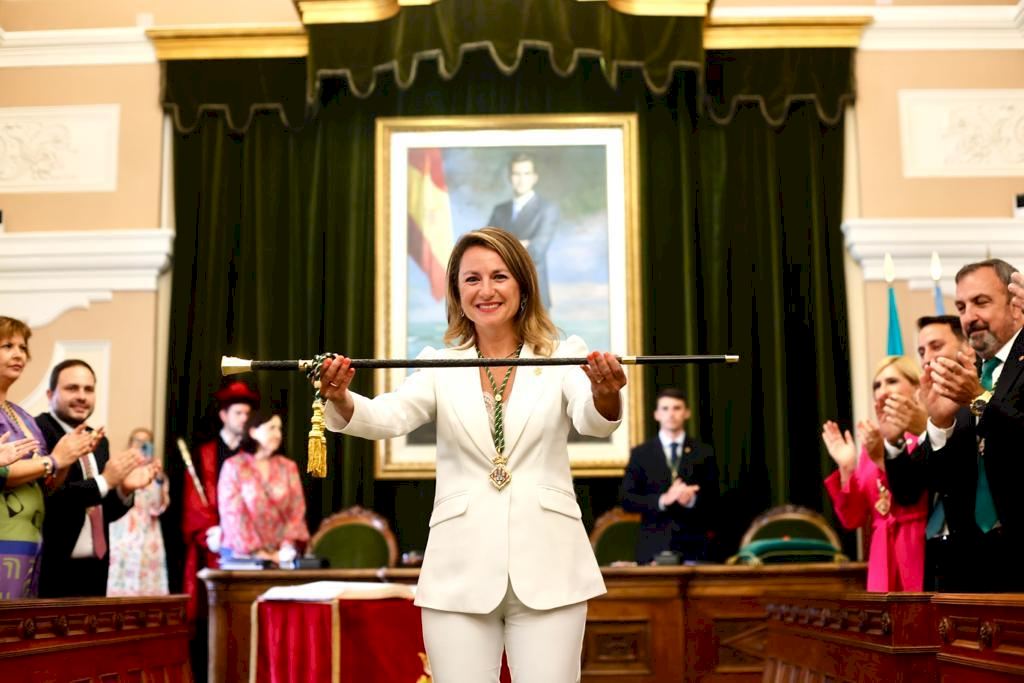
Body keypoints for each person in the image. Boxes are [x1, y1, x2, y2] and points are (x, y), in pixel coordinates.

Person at [319, 227, 625, 682]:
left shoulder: (563, 355)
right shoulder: (439, 364)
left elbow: (592, 419)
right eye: (472, 279)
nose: (486, 290)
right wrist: (341, 397)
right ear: (457, 292)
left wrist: (605, 393)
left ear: (523, 285)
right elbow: (388, 416)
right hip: (457, 572)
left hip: (551, 568)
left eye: (499, 276)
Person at [886, 258, 1024, 592]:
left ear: (1015, 305)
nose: (969, 317)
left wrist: (978, 399)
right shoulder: (965, 374)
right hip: (969, 570)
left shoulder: (976, 384)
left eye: (981, 302)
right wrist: (939, 423)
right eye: (961, 307)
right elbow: (936, 485)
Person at [36, 359, 158, 598]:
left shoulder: (99, 441)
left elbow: (102, 511)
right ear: (50, 394)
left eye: (88, 389)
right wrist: (105, 481)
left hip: (95, 566)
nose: (82, 396)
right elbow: (48, 499)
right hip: (52, 565)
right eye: (72, 388)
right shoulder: (38, 431)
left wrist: (123, 490)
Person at [0, 317, 94, 598]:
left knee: (24, 622)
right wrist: (52, 460)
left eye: (22, 347)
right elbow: (3, 473)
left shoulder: (24, 416)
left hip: (31, 539)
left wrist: (64, 460)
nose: (19, 354)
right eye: (7, 346)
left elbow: (47, 485)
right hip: (4, 536)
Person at [821, 356, 928, 591]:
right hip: (882, 556)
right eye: (877, 385)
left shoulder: (926, 434)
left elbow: (916, 493)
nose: (882, 391)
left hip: (918, 547)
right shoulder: (872, 444)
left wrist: (883, 458)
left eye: (892, 381)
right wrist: (847, 468)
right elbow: (853, 519)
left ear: (916, 387)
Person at [181, 380, 258, 620]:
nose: (244, 418)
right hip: (212, 543)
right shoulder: (202, 454)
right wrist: (210, 532)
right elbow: (193, 499)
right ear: (224, 415)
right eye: (238, 413)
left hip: (247, 545)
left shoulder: (254, 455)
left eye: (247, 414)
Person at [620, 388, 718, 565]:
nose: (671, 414)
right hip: (653, 548)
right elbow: (627, 500)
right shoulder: (641, 454)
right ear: (656, 414)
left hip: (694, 548)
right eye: (665, 409)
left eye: (677, 408)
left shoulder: (703, 452)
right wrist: (663, 500)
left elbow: (716, 499)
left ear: (687, 413)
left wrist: (691, 500)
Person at [217, 411, 309, 562]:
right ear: (253, 432)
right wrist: (260, 554)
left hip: (283, 556)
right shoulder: (234, 466)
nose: (277, 434)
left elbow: (297, 509)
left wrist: (286, 548)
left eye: (279, 429)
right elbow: (232, 514)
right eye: (271, 428)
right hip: (243, 557)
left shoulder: (288, 467)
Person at [487, 153, 559, 310]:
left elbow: (536, 251)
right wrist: (522, 244)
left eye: (526, 174)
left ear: (534, 177)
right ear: (509, 177)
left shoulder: (547, 210)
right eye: (516, 174)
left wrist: (503, 246)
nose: (521, 179)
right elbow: (487, 248)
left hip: (534, 292)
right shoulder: (499, 211)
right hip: (502, 295)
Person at [107, 428, 170, 596]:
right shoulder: (118, 469)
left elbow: (157, 507)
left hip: (148, 536)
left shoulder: (157, 475)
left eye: (146, 442)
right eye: (137, 441)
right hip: (122, 534)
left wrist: (157, 479)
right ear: (130, 444)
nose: (142, 445)